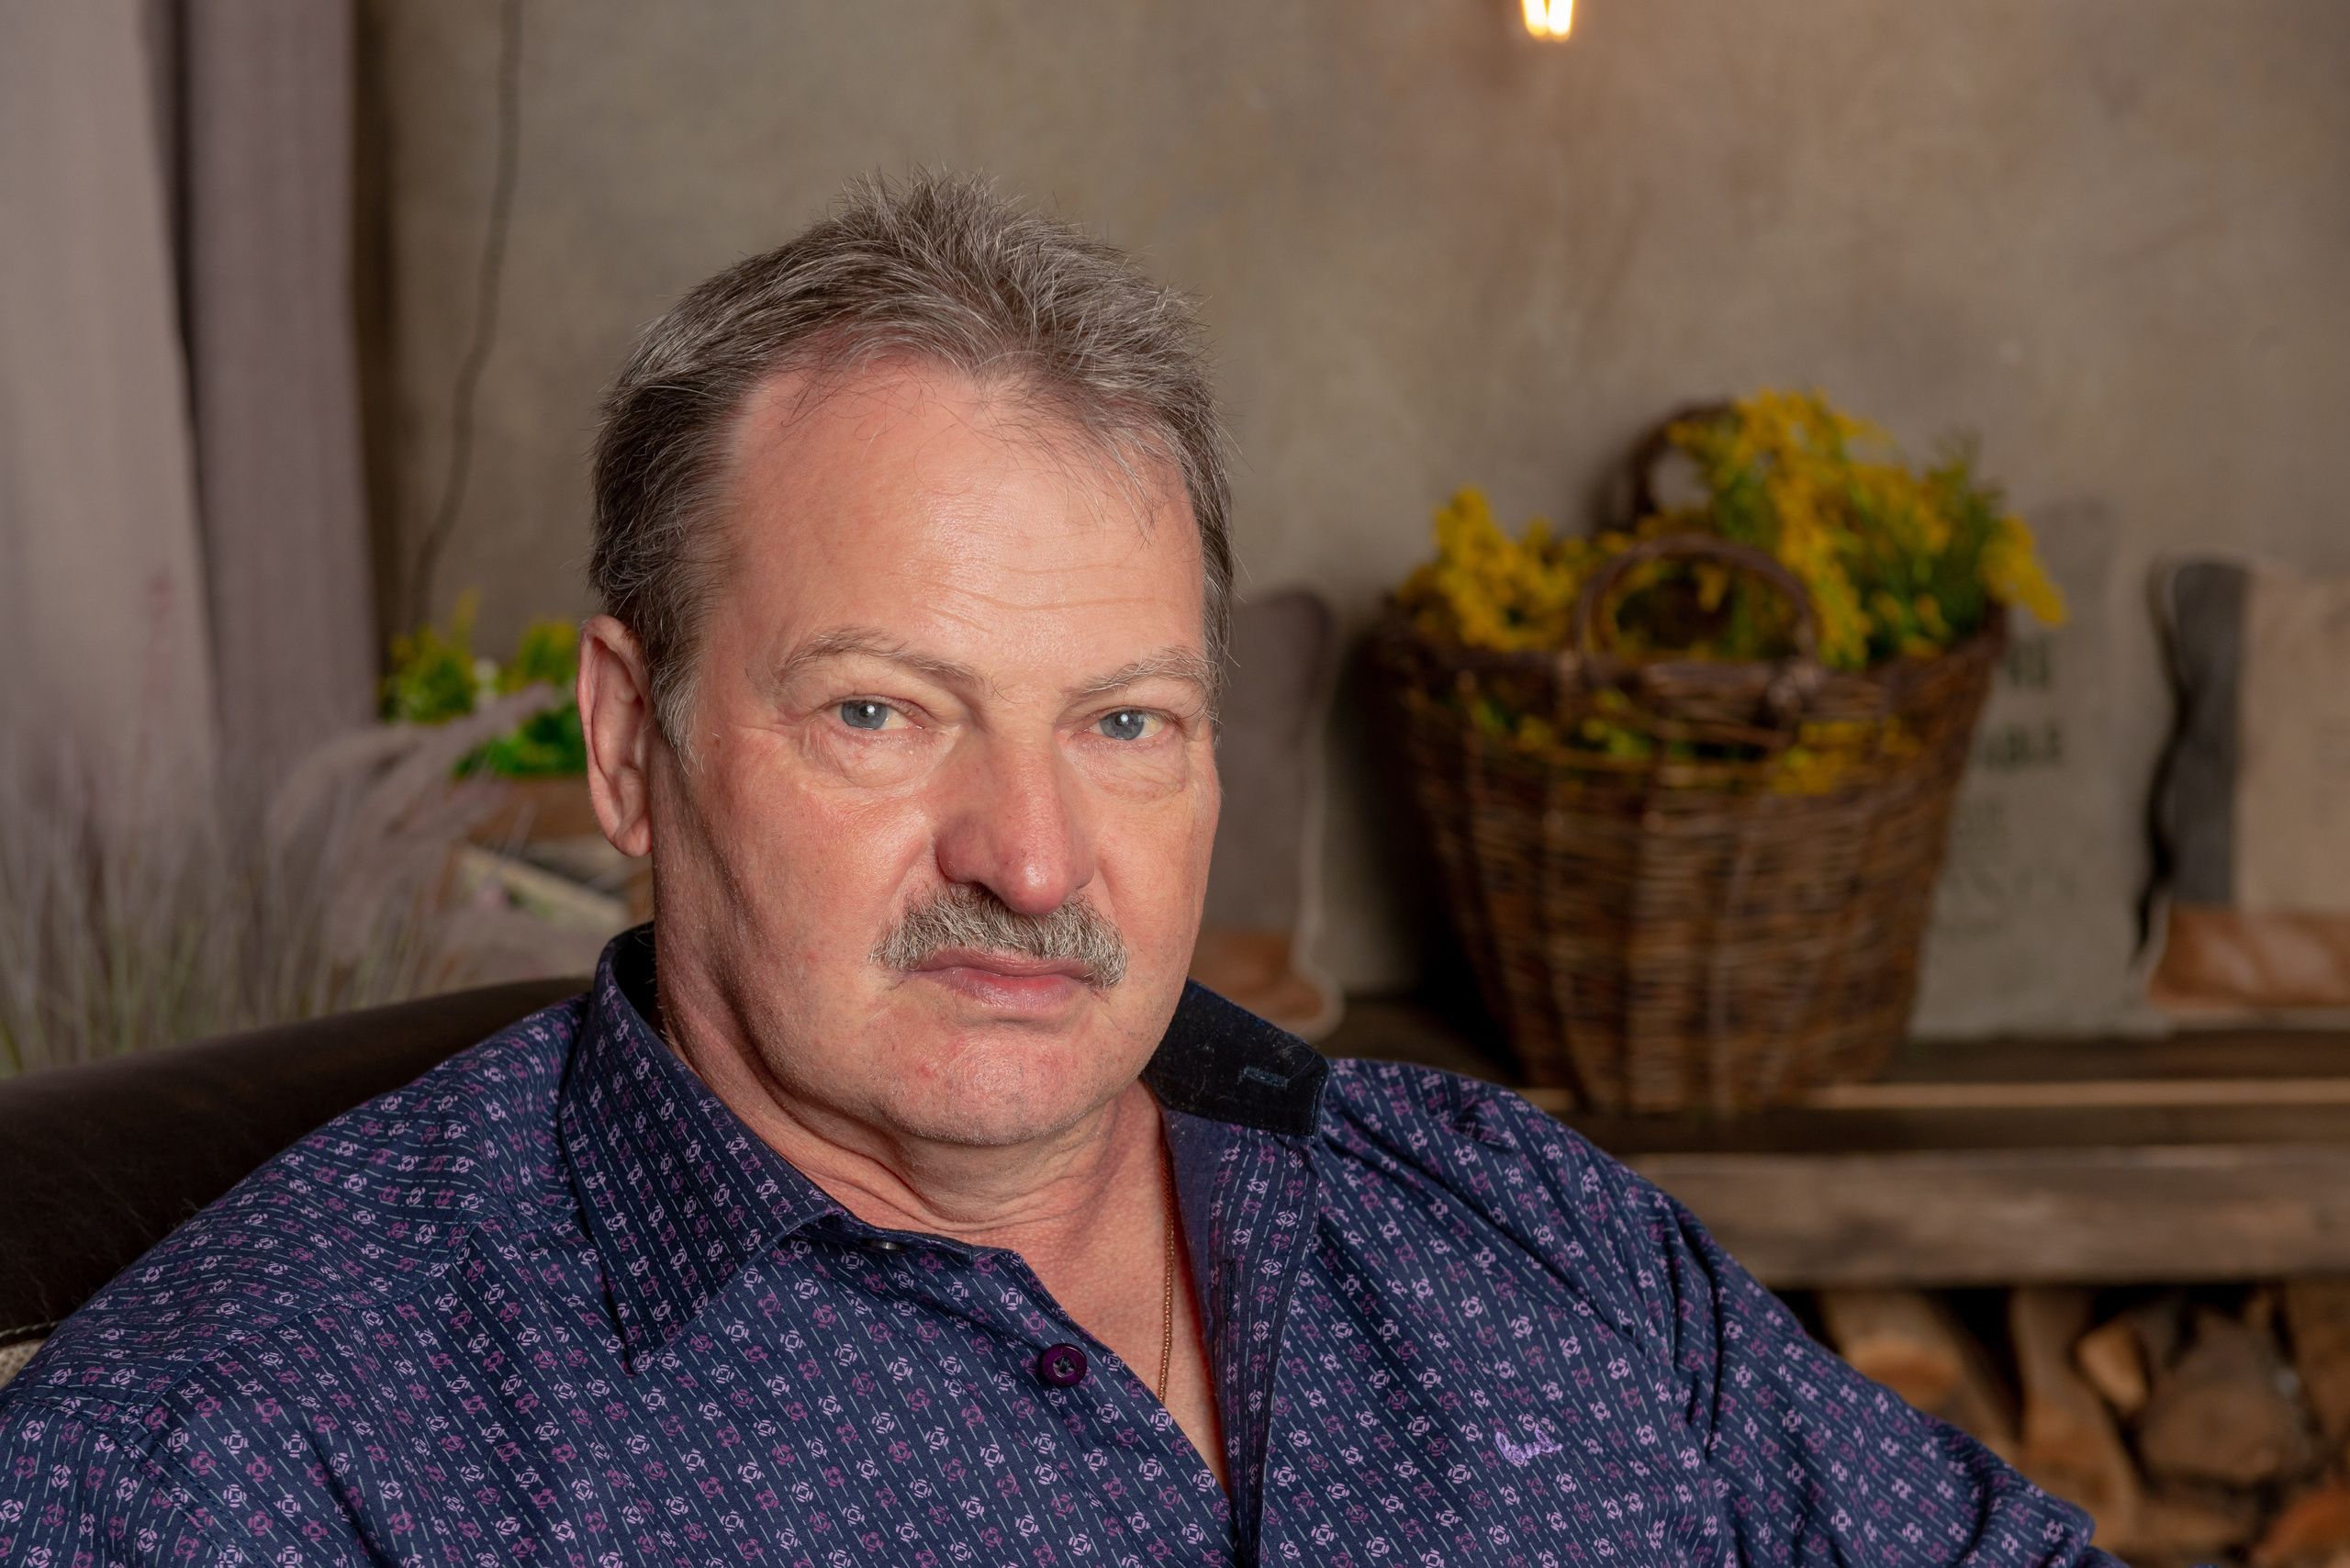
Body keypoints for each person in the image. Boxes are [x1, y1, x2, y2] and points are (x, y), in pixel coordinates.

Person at [0, 174, 2115, 1568]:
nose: (1030, 855)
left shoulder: (1509, 1218)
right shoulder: (237, 1461)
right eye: (881, 710)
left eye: (1123, 721)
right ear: (630, 741)